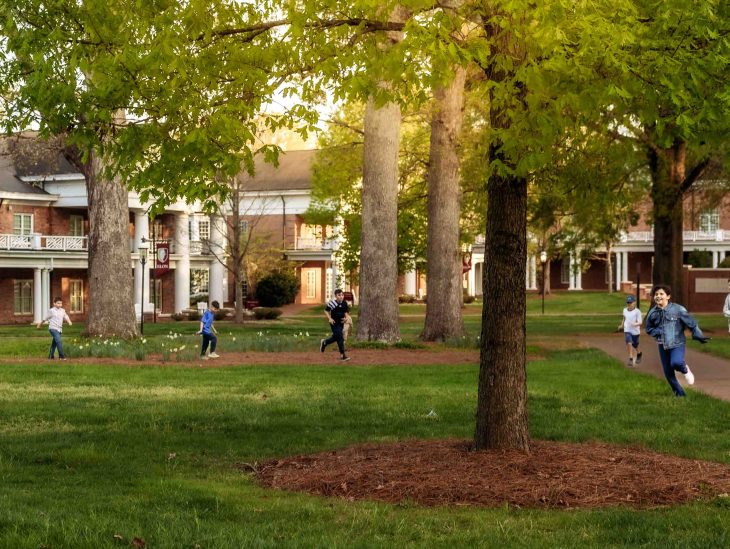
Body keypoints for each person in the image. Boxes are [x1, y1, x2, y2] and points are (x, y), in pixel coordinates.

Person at [645, 285, 710, 397]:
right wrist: (659, 331)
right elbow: (649, 329)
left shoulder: (678, 309)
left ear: (668, 296)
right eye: (656, 294)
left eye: (661, 294)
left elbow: (692, 323)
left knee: (676, 362)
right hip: (662, 344)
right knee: (668, 373)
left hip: (677, 343)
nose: (658, 296)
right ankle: (681, 395)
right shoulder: (652, 313)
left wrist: (698, 335)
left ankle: (685, 369)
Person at [320, 289, 351, 361]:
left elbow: (346, 312)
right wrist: (330, 318)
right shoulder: (333, 303)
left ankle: (325, 342)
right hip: (334, 323)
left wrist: (346, 318)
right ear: (335, 296)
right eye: (339, 295)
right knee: (340, 337)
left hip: (341, 323)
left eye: (342, 295)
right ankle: (343, 355)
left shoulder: (344, 303)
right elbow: (326, 310)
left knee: (337, 337)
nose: (341, 297)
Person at [618, 295, 642, 367]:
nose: (629, 304)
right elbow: (624, 318)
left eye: (630, 302)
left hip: (635, 331)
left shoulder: (637, 311)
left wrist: (635, 324)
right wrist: (622, 325)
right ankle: (631, 358)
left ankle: (639, 353)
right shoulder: (625, 310)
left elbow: (640, 322)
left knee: (635, 344)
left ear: (634, 302)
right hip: (627, 330)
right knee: (629, 342)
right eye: (628, 303)